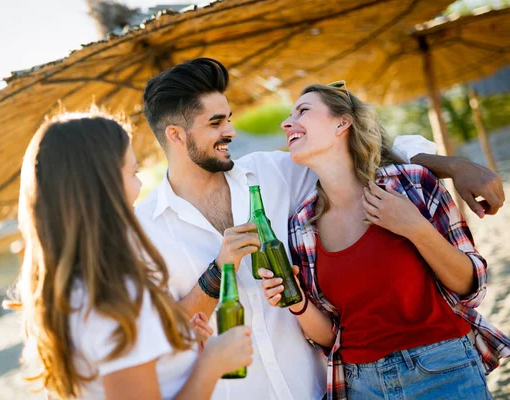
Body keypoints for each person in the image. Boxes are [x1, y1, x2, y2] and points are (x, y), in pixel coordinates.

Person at [135, 57, 504, 400]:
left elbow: (359, 154)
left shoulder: (272, 172)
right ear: (176, 136)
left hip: (318, 389)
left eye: (229, 117)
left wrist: (455, 166)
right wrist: (218, 273)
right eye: (216, 123)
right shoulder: (142, 230)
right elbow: (154, 331)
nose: (231, 130)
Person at [260, 82, 510, 399]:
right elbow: (331, 334)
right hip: (360, 385)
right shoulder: (301, 225)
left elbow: (472, 286)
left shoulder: (412, 183)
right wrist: (295, 301)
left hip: (444, 372)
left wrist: (416, 228)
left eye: (303, 110)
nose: (287, 122)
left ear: (342, 122)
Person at [9, 111, 253, 400]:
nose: (139, 187)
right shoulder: (112, 297)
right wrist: (212, 364)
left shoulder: (70, 291)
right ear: (106, 186)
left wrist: (177, 346)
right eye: (133, 173)